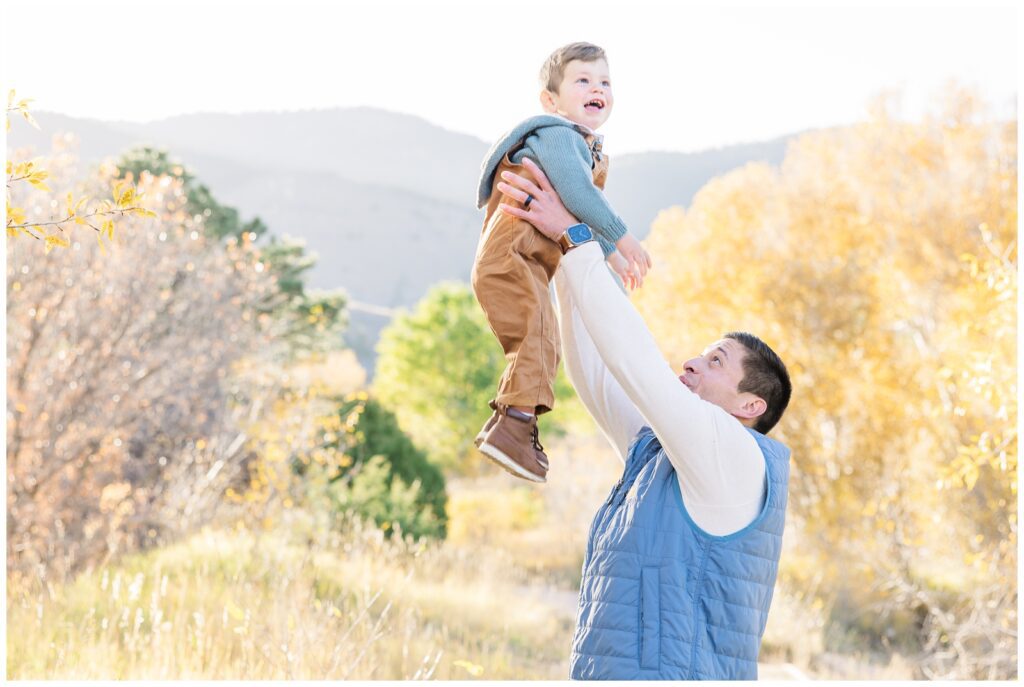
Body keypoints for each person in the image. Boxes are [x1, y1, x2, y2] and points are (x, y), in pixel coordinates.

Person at [495, 157, 794, 680]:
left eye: (716, 361)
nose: (692, 362)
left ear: (751, 406)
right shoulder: (659, 455)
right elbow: (601, 373)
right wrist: (563, 254)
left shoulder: (736, 456)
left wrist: (577, 236)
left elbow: (640, 367)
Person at [472, 41, 652, 484]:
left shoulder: (577, 145)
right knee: (535, 337)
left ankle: (507, 424)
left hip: (524, 262)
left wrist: (605, 254)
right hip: (511, 259)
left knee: (542, 340)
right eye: (584, 80)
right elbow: (578, 194)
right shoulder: (557, 136)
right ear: (550, 101)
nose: (598, 88)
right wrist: (623, 240)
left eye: (605, 81)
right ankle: (514, 428)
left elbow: (574, 214)